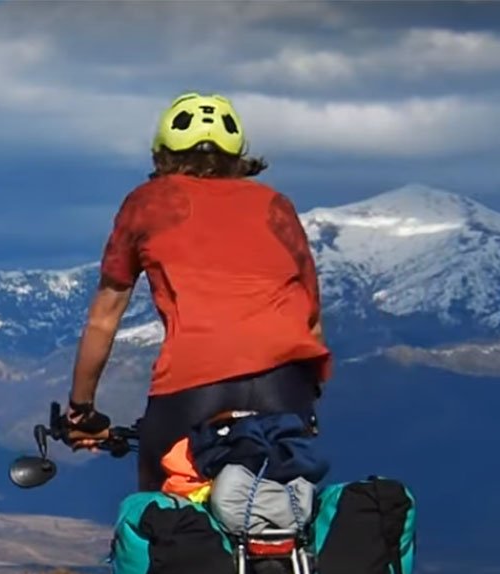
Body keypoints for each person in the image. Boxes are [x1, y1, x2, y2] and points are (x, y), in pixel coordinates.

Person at [61, 92, 333, 492]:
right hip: (285, 383)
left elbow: (104, 318)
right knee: (291, 505)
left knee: (164, 518)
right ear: (237, 154)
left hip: (192, 384)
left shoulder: (149, 203)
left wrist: (81, 412)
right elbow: (310, 321)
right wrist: (306, 399)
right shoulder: (276, 205)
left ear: (161, 154)